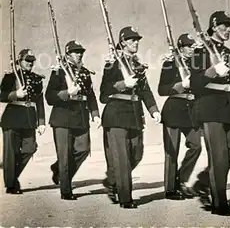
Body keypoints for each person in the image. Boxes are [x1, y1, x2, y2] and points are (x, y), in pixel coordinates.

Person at [190, 11, 230, 216]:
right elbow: (194, 83)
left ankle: (205, 182)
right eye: (224, 26)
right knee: (219, 156)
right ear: (214, 27)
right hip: (209, 108)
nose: (228, 30)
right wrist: (213, 71)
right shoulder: (201, 51)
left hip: (229, 109)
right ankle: (219, 204)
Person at [100, 26, 161, 209]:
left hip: (134, 115)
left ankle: (112, 181)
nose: (136, 43)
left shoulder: (137, 64)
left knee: (137, 153)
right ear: (123, 42)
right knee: (122, 158)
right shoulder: (112, 63)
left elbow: (145, 90)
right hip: (116, 114)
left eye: (137, 40)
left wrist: (153, 110)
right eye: (132, 40)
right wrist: (122, 84)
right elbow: (103, 93)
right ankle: (125, 198)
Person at [45, 40, 101, 200]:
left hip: (80, 117)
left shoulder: (84, 72)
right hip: (62, 117)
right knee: (64, 154)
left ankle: (58, 170)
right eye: (76, 52)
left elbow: (90, 95)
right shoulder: (58, 71)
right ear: (68, 54)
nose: (80, 54)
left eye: (81, 51)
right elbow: (49, 96)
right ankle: (66, 190)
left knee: (83, 149)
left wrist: (95, 114)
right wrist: (67, 93)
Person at [158, 33, 202, 200]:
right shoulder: (170, 64)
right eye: (188, 46)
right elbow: (162, 90)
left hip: (191, 111)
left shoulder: (196, 64)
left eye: (193, 46)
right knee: (172, 151)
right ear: (180, 47)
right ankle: (170, 189)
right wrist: (179, 86)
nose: (191, 49)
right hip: (174, 110)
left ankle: (181, 180)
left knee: (196, 146)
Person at [0, 49, 46, 194]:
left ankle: (11, 175)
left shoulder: (37, 79)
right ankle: (11, 185)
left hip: (29, 119)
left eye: (32, 61)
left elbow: (39, 101)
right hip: (12, 117)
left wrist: (42, 121)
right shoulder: (10, 76)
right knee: (11, 152)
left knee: (30, 148)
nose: (30, 63)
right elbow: (1, 95)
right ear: (20, 61)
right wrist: (15, 94)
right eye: (27, 60)